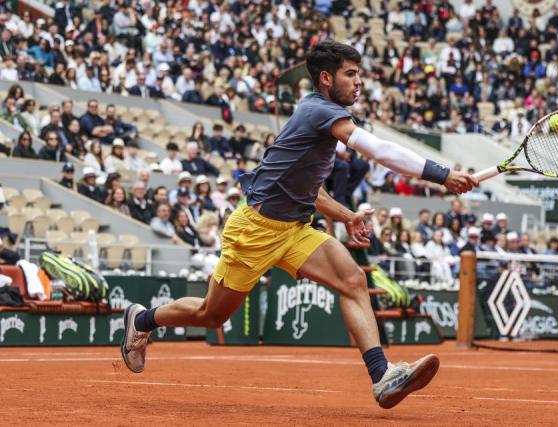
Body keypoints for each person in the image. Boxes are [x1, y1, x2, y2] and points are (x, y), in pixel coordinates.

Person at [120, 41, 476, 409]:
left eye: (359, 75)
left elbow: (311, 190)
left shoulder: (322, 117)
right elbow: (377, 150)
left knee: (353, 280)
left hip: (294, 229)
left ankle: (382, 377)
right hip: (255, 229)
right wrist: (442, 174)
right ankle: (143, 318)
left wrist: (347, 215)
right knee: (211, 315)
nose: (358, 83)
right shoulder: (320, 110)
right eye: (350, 74)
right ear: (326, 78)